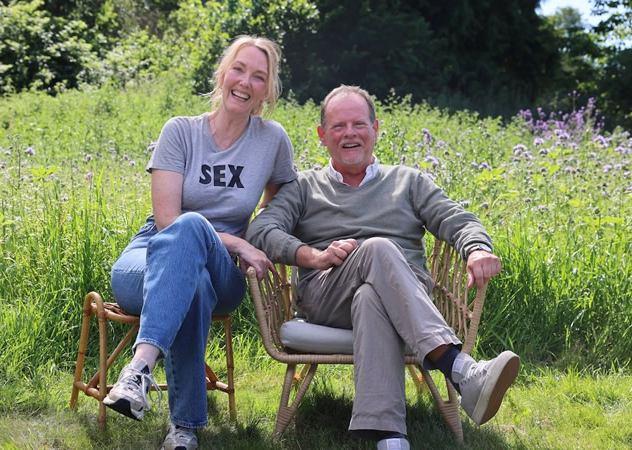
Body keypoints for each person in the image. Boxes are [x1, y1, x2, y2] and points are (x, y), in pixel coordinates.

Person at [246, 85, 519, 450]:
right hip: (327, 297)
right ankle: (459, 368)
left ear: (375, 129)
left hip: (401, 299)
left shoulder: (409, 181)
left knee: (370, 296)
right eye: (339, 126)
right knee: (377, 248)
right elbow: (261, 229)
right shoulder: (304, 187)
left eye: (359, 124)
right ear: (323, 136)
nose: (350, 133)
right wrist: (312, 256)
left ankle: (390, 439)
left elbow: (457, 220)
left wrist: (478, 249)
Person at [104, 35, 297, 450]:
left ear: (267, 91)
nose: (245, 82)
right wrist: (239, 242)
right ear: (222, 74)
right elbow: (167, 220)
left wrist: (252, 240)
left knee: (197, 251)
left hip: (224, 271)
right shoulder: (180, 131)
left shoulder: (272, 140)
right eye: (238, 69)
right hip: (151, 255)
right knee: (191, 269)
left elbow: (282, 203)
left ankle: (138, 369)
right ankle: (183, 429)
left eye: (258, 77)